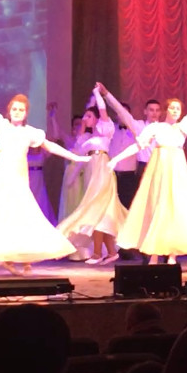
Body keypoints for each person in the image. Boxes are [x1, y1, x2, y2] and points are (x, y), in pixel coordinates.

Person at [0, 65, 87, 276]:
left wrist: (76, 157)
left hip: (20, 179)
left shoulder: (30, 132)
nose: (17, 112)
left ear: (26, 113)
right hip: (2, 177)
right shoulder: (1, 125)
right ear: (9, 111)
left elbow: (51, 147)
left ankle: (24, 258)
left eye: (21, 109)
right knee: (3, 216)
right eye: (14, 109)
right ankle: (9, 257)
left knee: (24, 216)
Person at [108, 67, 187, 264]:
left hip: (176, 170)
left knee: (174, 210)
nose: (175, 111)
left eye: (178, 109)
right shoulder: (156, 127)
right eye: (172, 108)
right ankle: (154, 254)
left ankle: (172, 254)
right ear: (166, 110)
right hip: (158, 171)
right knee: (157, 208)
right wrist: (116, 159)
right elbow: (138, 145)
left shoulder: (183, 127)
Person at [56, 84, 128, 265]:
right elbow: (78, 154)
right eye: (85, 116)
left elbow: (102, 110)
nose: (85, 119)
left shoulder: (105, 130)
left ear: (96, 118)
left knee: (97, 208)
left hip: (102, 169)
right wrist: (72, 178)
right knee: (99, 211)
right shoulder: (88, 138)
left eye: (88, 116)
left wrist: (97, 94)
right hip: (91, 171)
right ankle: (110, 252)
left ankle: (97, 253)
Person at [104, 92, 163, 181]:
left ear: (160, 112)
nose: (154, 113)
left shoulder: (164, 128)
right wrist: (107, 94)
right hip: (143, 166)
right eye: (151, 110)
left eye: (157, 110)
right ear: (145, 111)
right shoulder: (139, 126)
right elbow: (123, 113)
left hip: (160, 165)